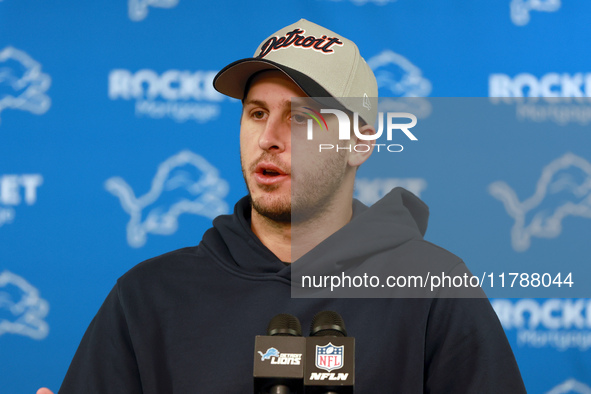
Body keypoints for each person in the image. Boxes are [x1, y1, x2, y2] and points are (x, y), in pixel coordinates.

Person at [38, 19, 526, 393]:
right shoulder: (146, 296)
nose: (269, 139)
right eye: (256, 114)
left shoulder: (432, 289)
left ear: (360, 144)